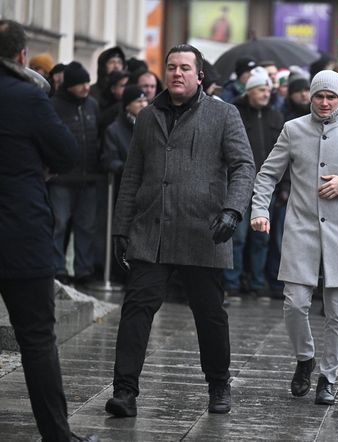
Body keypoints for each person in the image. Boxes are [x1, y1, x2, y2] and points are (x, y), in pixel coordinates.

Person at [105, 43, 255, 417]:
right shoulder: (147, 117)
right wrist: (121, 226)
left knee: (210, 314)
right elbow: (132, 176)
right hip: (151, 232)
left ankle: (218, 383)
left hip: (203, 231)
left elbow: (243, 167)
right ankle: (125, 391)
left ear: (199, 75)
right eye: (171, 67)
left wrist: (233, 210)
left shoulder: (224, 115)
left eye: (185, 68)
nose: (177, 73)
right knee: (136, 309)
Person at [250, 70, 338, 405]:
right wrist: (259, 211)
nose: (324, 102)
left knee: (337, 309)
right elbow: (267, 175)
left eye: (331, 97)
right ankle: (305, 358)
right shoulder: (293, 129)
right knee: (294, 303)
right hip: (301, 227)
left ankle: (329, 377)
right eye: (319, 96)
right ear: (310, 97)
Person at [0, 19, 98, 442]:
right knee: (38, 339)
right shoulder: (27, 96)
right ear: (22, 56)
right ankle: (56, 437)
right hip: (20, 234)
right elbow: (67, 151)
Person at [225, 67, 284, 298]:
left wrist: (284, 185)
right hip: (239, 184)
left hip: (267, 187)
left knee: (262, 238)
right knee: (238, 237)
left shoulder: (276, 116)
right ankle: (232, 281)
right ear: (249, 91)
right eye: (260, 89)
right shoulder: (235, 113)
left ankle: (257, 283)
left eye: (267, 90)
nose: (265, 94)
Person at [49, 61, 102, 286]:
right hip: (61, 177)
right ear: (70, 85)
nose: (86, 87)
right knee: (59, 224)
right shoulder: (53, 105)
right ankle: (56, 268)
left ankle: (83, 270)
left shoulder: (92, 105)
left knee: (86, 226)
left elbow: (98, 134)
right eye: (81, 84)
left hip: (88, 177)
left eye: (87, 83)